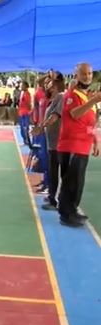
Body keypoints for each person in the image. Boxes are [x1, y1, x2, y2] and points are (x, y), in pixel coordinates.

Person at [56, 63, 101, 227]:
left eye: (89, 74)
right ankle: (66, 214)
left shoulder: (86, 96)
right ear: (77, 75)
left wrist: (95, 140)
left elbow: (90, 121)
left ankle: (72, 210)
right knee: (71, 182)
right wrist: (94, 100)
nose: (87, 76)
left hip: (83, 145)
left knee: (77, 182)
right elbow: (75, 114)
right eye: (84, 74)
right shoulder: (71, 95)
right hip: (71, 145)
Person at [33, 77, 65, 210]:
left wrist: (41, 127)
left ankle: (56, 200)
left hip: (58, 142)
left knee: (58, 171)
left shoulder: (61, 98)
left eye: (49, 84)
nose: (46, 86)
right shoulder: (53, 100)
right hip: (52, 141)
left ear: (56, 86)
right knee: (52, 170)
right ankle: (52, 196)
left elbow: (54, 117)